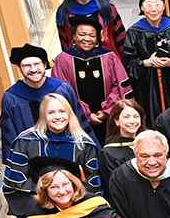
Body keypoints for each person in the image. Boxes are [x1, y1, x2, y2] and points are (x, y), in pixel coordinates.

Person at [5, 93, 100, 218]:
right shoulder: (26, 141)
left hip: (74, 203)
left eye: (62, 111)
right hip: (37, 203)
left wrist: (71, 198)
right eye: (51, 113)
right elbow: (16, 178)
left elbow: (92, 181)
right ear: (43, 115)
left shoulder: (83, 143)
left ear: (69, 114)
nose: (57, 117)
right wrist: (43, 195)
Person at [1, 43, 95, 163]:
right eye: (26, 66)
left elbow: (79, 122)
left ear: (45, 65)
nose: (33, 69)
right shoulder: (11, 98)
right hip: (32, 161)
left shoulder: (63, 89)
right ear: (18, 68)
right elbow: (10, 136)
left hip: (70, 156)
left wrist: (90, 153)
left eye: (37, 64)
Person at [51, 14, 133, 146]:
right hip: (78, 120)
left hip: (110, 118)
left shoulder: (109, 57)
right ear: (74, 37)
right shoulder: (63, 60)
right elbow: (63, 93)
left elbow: (120, 86)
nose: (87, 39)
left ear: (97, 38)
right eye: (82, 34)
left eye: (92, 35)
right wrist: (87, 115)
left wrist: (107, 110)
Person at [98, 99, 145, 192]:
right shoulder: (109, 153)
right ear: (116, 120)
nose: (132, 121)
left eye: (136, 116)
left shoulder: (149, 141)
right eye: (126, 117)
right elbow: (112, 187)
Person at [56, 0, 127, 58]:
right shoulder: (64, 13)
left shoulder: (108, 9)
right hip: (78, 64)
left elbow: (121, 40)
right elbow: (65, 45)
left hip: (107, 62)